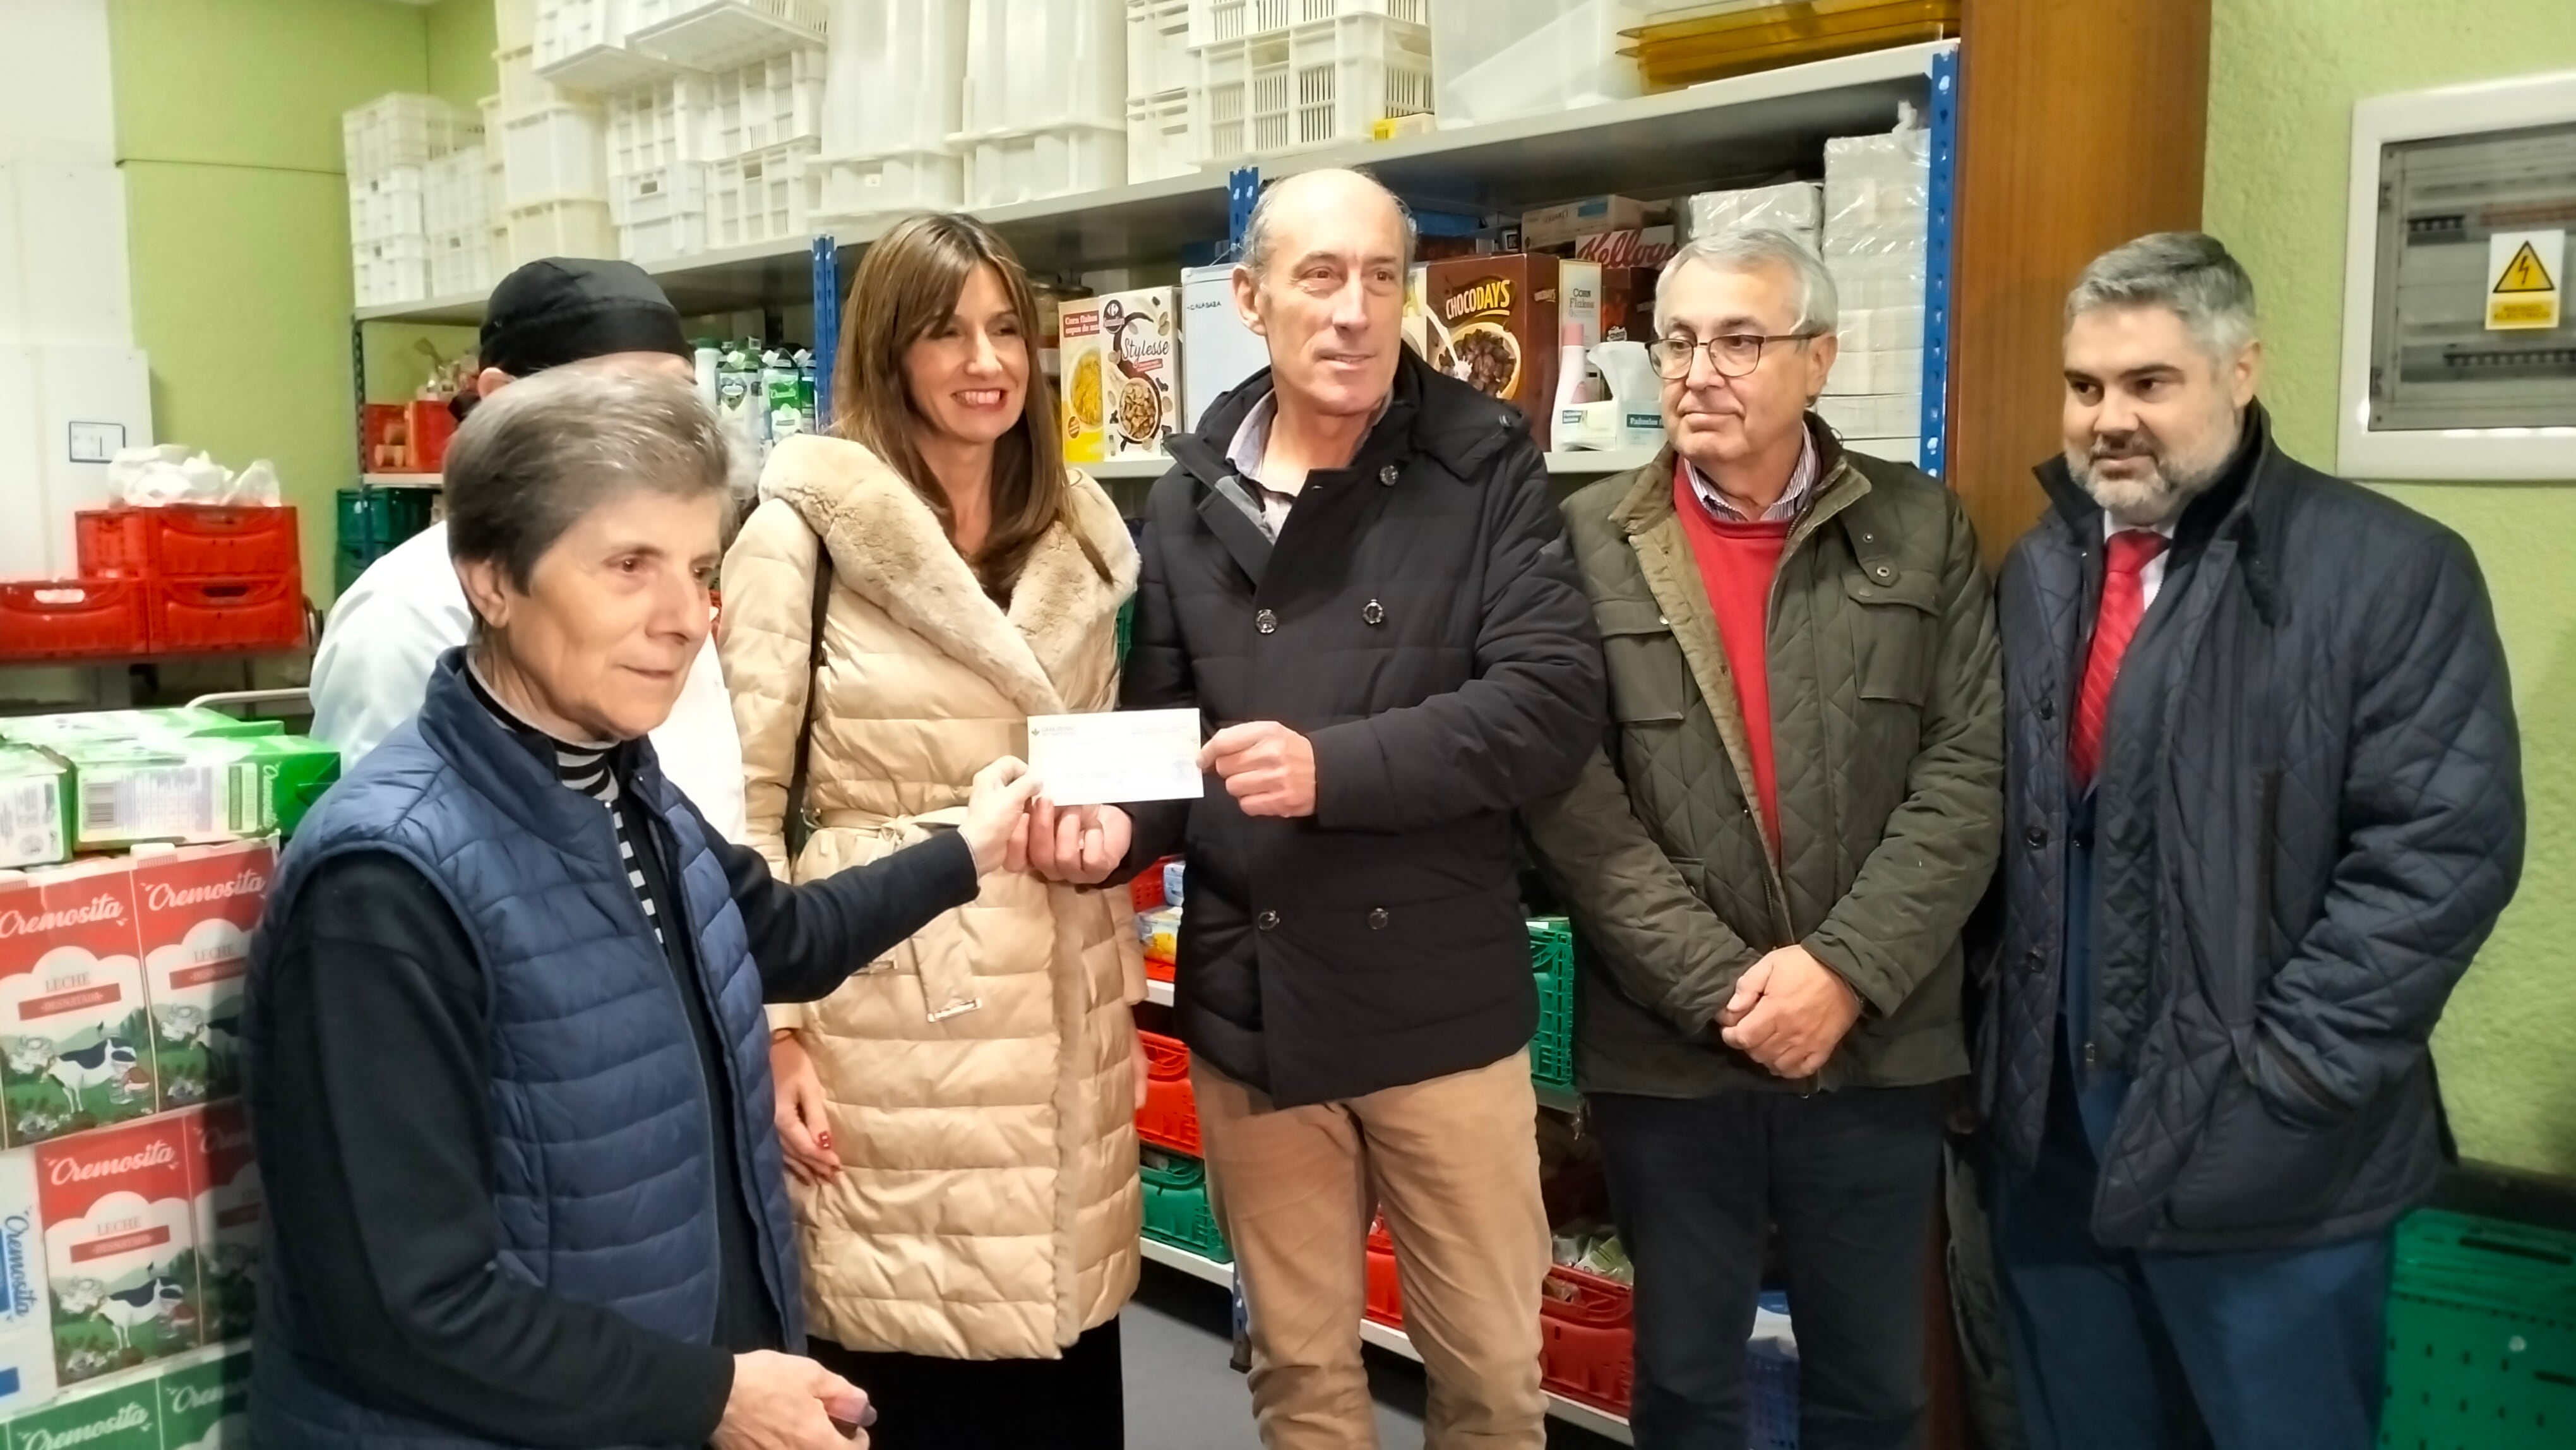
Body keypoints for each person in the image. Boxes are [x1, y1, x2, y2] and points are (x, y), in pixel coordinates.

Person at [244, 367, 1046, 1450]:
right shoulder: (386, 882)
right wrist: (712, 1395)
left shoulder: (624, 784)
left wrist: (971, 846)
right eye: (630, 567)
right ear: (492, 577)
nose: (686, 620)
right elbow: (405, 1305)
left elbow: (784, 940)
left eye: (702, 569)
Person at [1029, 167, 1606, 1450]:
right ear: (1251, 298)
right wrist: (1116, 828)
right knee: (1300, 1376)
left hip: (1440, 1003)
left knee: (1496, 1383)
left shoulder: (1485, 463)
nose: (1353, 311)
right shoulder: (1188, 491)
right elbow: (1168, 727)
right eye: (1318, 276)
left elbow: (1550, 701)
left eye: (1381, 277)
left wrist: (1332, 768)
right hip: (1259, 999)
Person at [1977, 232, 2524, 1450]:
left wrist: (2286, 1090)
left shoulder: (2389, 574)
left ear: (2242, 371)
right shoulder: (2041, 571)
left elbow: (2439, 859)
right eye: (2086, 387)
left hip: (2274, 1180)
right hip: (2057, 1164)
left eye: (2149, 383)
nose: (2109, 419)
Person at [1522, 229, 2004, 1450]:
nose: (1700, 371)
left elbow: (1970, 770)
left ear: (1820, 360)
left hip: (1877, 1045)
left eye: (1741, 340)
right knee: (1686, 1389)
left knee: (1876, 1392)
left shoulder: (1917, 528)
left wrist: (1841, 973)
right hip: (1674, 1055)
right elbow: (1573, 800)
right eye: (1677, 341)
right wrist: (1725, 988)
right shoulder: (1583, 544)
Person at [716, 213, 1145, 1449]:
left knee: (1060, 1355)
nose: (986, 360)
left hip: (1063, 991)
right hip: (894, 1008)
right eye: (947, 330)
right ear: (889, 351)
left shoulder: (1075, 530)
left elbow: (1106, 747)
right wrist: (780, 1031)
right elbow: (737, 801)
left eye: (1008, 328)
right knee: (911, 1350)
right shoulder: (801, 533)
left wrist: (1104, 825)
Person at [309, 257, 748, 839]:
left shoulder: (676, 588)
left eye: (678, 400)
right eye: (620, 404)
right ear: (499, 399)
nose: (662, 435)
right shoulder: (401, 612)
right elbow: (381, 841)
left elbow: (707, 806)